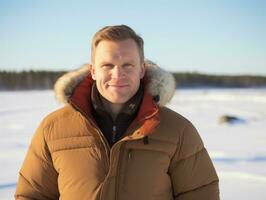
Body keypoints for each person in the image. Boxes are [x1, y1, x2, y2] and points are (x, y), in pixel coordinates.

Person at [15, 25, 219, 200]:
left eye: (127, 65)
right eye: (107, 65)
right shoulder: (53, 128)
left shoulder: (178, 130)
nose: (117, 74)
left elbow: (200, 194)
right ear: (93, 70)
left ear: (142, 70)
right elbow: (32, 195)